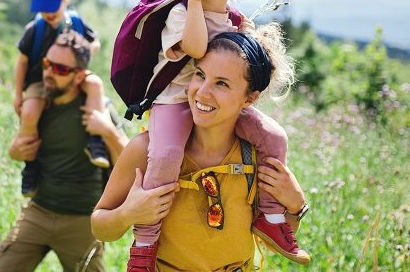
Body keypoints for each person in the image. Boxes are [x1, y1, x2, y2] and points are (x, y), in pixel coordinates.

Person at [125, 0, 307, 267]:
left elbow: (245, 67)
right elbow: (195, 48)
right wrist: (195, 1)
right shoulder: (180, 11)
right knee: (166, 153)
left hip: (211, 103)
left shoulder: (235, 21)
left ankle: (271, 217)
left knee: (273, 137)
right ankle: (146, 242)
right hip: (175, 100)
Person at [92, 29, 309, 271]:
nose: (203, 92)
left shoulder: (259, 155)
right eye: (199, 74)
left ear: (249, 98)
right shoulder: (147, 150)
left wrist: (296, 206)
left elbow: (270, 242)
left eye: (222, 83)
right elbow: (100, 227)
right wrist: (127, 214)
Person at [0, 30, 130, 271]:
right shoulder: (37, 106)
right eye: (47, 64)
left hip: (83, 221)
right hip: (38, 211)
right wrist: (15, 150)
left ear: (79, 77)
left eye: (60, 69)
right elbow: (15, 153)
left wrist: (108, 131)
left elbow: (128, 162)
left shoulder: (97, 108)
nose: (49, 73)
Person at [10, 0, 111, 198]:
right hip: (40, 79)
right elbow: (22, 62)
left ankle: (96, 140)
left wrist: (82, 53)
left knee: (94, 85)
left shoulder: (75, 22)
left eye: (52, 6)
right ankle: (31, 164)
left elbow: (94, 43)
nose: (47, 13)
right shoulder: (34, 29)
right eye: (42, 8)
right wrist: (18, 94)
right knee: (29, 113)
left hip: (72, 74)